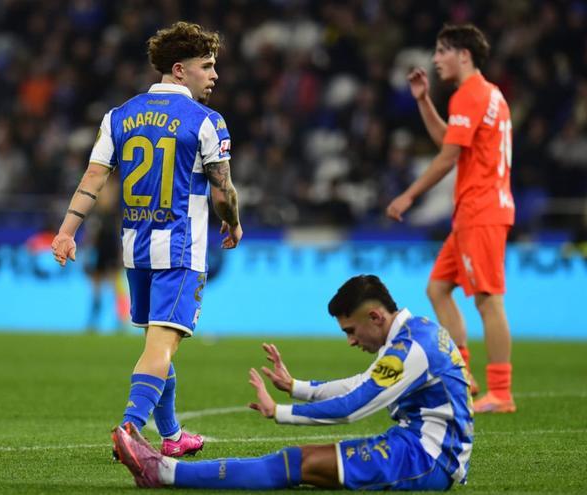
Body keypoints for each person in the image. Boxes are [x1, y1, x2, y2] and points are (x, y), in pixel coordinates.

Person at [51, 21, 243, 457]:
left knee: (158, 344)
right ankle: (131, 429)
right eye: (207, 66)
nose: (214, 76)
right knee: (161, 346)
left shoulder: (118, 116)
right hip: (180, 250)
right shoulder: (208, 121)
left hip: (135, 251)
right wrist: (232, 222)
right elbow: (222, 190)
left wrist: (67, 231)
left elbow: (93, 179)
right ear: (180, 70)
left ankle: (172, 436)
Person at [113, 274, 473, 490]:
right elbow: (361, 383)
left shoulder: (411, 347)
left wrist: (279, 411)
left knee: (294, 464)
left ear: (375, 316)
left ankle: (163, 472)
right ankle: (168, 471)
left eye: (351, 330)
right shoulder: (415, 332)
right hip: (420, 446)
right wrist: (296, 386)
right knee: (297, 463)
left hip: (428, 459)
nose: (351, 340)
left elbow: (355, 405)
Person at [386, 24, 516, 413]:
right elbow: (453, 142)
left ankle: (501, 391)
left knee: (489, 300)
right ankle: (465, 371)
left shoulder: (469, 95)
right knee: (438, 288)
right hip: (476, 210)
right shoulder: (488, 95)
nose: (436, 58)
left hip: (482, 210)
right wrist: (425, 101)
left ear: (464, 55)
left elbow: (447, 157)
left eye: (443, 51)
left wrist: (409, 195)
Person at [82, 177, 128, 333]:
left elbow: (121, 235)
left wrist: (121, 255)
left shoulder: (116, 215)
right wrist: (87, 253)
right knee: (96, 290)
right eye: (103, 193)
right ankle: (94, 320)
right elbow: (90, 237)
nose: (106, 196)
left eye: (109, 192)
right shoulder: (96, 215)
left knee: (117, 287)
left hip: (112, 253)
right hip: (99, 254)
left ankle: (121, 320)